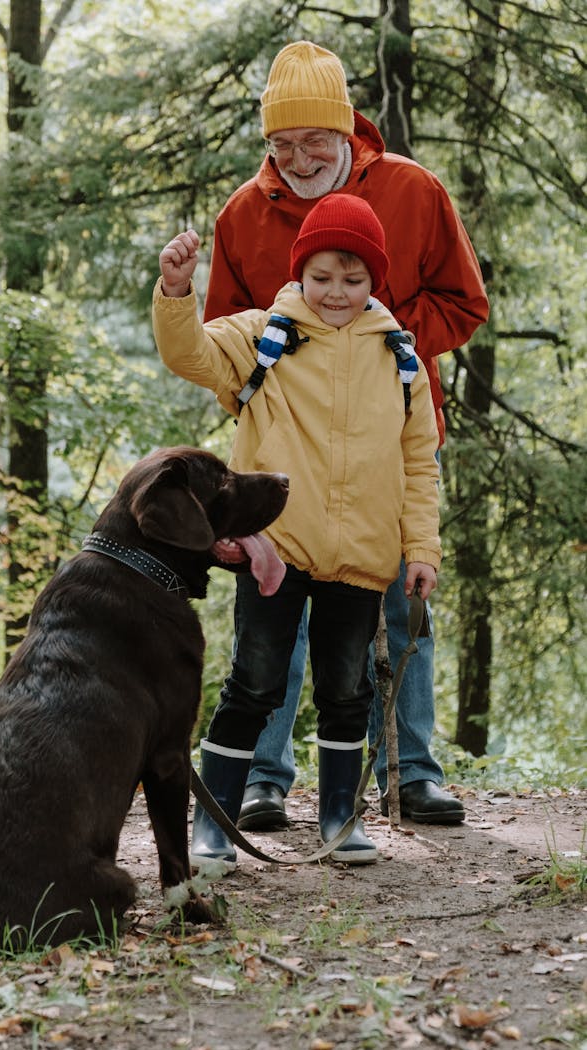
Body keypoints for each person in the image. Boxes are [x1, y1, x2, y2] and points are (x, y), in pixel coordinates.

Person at [203, 40, 490, 829]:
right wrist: (272, 380)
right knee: (276, 609)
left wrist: (379, 345)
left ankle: (410, 773)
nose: (297, 157)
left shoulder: (413, 190)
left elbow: (465, 304)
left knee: (398, 599)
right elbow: (218, 335)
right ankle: (265, 779)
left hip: (388, 436)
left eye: (313, 141)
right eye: (280, 143)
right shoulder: (242, 213)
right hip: (283, 454)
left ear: (345, 130)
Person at [153, 192, 442, 868]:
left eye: (353, 279)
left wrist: (421, 547)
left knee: (348, 692)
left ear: (375, 280)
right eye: (321, 278)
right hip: (274, 553)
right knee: (254, 685)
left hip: (363, 558)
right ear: (299, 274)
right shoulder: (265, 335)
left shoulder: (402, 360)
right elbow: (189, 353)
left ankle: (340, 817)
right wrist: (175, 290)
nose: (336, 293)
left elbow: (418, 464)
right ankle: (215, 820)